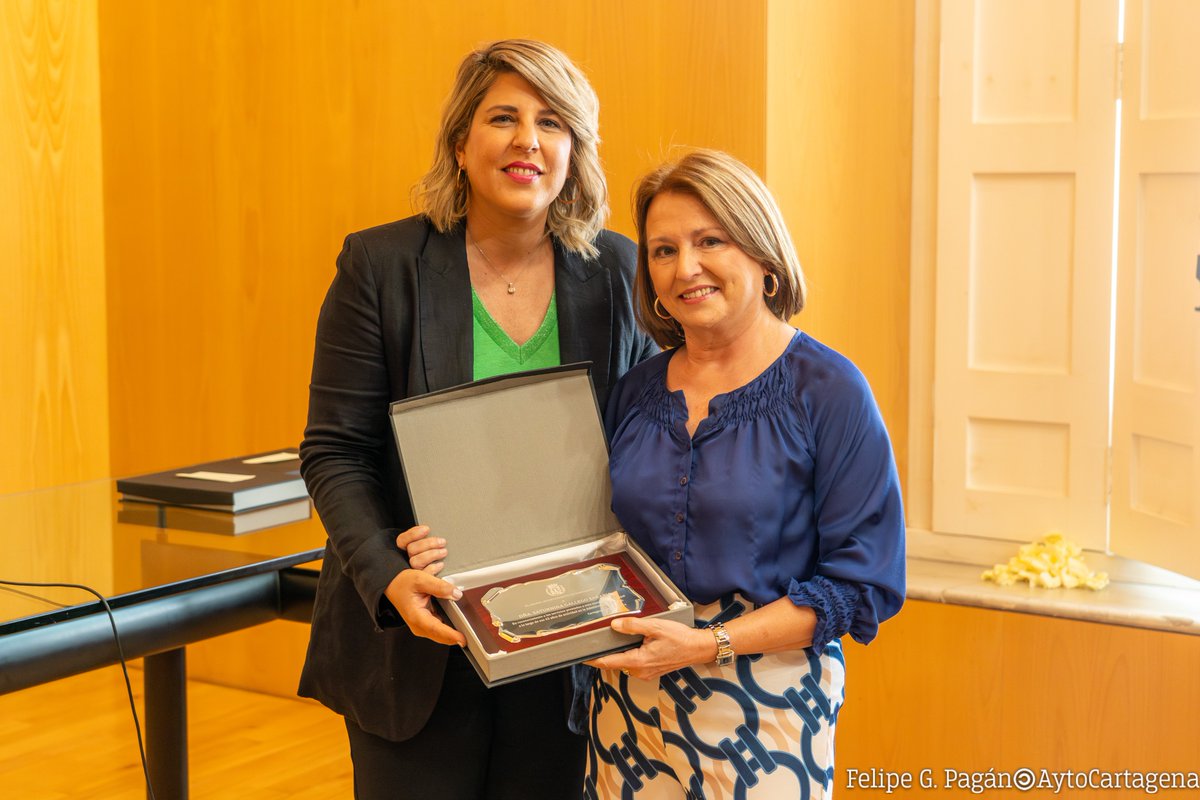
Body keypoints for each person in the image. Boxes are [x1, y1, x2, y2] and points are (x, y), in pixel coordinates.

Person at [298, 40, 657, 800]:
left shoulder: (620, 273)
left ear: (574, 154)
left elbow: (648, 438)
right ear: (461, 144)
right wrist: (389, 575)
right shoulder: (380, 266)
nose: (529, 139)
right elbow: (335, 451)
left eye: (552, 122)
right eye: (504, 118)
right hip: (418, 640)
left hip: (566, 638)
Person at [580, 149, 906, 799]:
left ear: (764, 256)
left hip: (766, 698)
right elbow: (594, 538)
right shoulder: (635, 391)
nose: (685, 268)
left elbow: (863, 585)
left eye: (710, 241)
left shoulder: (830, 389)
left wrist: (708, 644)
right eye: (663, 250)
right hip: (629, 697)